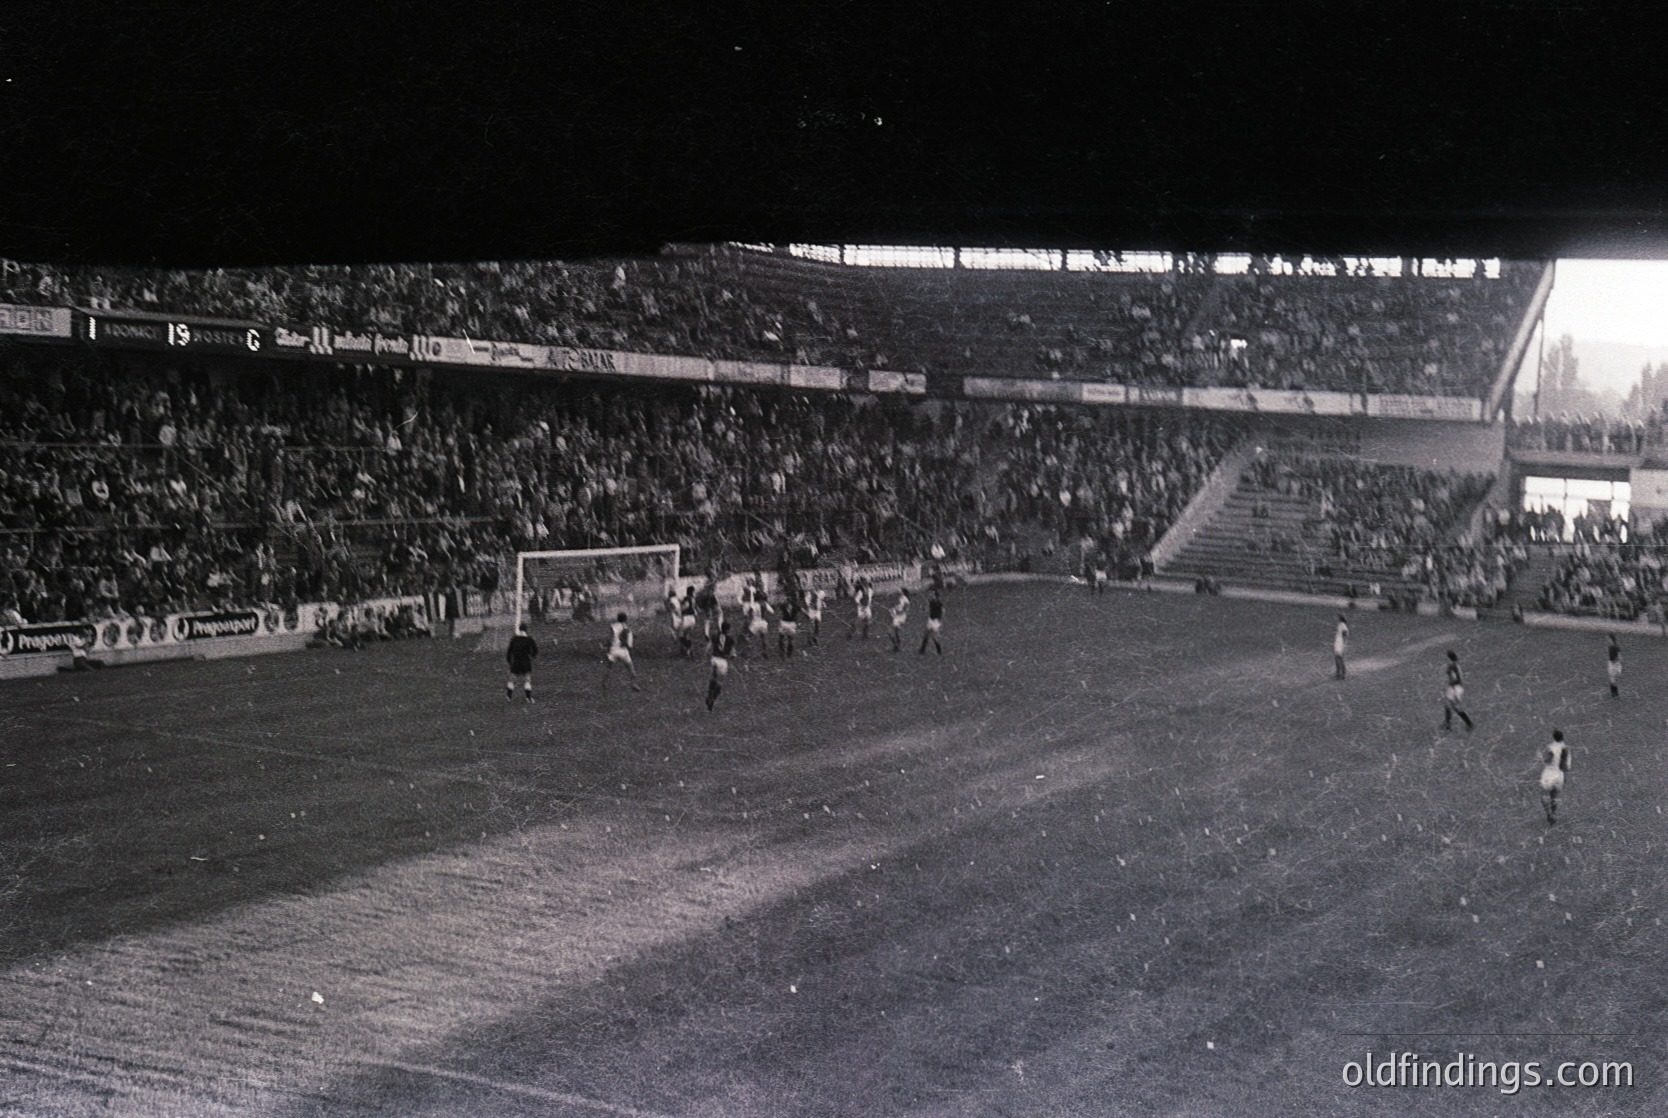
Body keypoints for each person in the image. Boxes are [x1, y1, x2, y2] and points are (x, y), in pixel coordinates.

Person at [605, 611, 642, 691]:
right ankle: (633, 683)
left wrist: (607, 648)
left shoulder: (613, 626)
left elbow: (610, 638)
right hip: (623, 651)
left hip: (613, 650)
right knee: (630, 668)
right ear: (626, 619)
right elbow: (628, 643)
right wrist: (633, 637)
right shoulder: (626, 628)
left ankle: (605, 682)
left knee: (609, 667)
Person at [1540, 729, 1571, 824]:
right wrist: (1565, 776)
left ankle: (1549, 815)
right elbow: (1566, 766)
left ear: (1553, 737)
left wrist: (1540, 759)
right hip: (1560, 774)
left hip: (1550, 773)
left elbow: (1548, 760)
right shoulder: (1566, 749)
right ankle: (1554, 814)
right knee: (1554, 796)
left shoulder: (1551, 747)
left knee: (1544, 795)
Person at [705, 620, 735, 712]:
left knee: (713, 677)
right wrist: (732, 656)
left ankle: (709, 695)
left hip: (714, 659)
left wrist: (707, 655)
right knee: (720, 682)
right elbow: (733, 653)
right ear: (728, 629)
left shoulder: (715, 635)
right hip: (722, 661)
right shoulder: (730, 639)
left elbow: (708, 647)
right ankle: (712, 700)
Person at [1442, 650, 1474, 732]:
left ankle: (1469, 723)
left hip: (1455, 688)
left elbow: (1457, 678)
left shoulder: (1453, 666)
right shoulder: (1454, 665)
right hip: (1454, 687)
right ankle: (1447, 724)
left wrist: (1453, 689)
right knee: (1447, 705)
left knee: (1455, 707)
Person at [506, 622, 537, 702]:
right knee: (527, 679)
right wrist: (532, 656)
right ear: (526, 630)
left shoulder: (514, 639)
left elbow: (509, 652)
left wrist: (509, 661)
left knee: (512, 679)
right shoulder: (529, 639)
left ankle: (509, 696)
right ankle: (528, 697)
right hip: (526, 662)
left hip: (516, 662)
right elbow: (535, 650)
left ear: (519, 630)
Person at [918, 588, 944, 655]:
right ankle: (922, 650)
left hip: (935, 621)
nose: (931, 595)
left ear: (936, 596)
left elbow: (942, 611)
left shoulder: (938, 603)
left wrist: (939, 619)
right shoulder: (931, 601)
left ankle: (939, 650)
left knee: (934, 636)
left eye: (932, 595)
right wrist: (924, 609)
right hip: (931, 619)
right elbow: (928, 608)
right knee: (926, 634)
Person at [777, 592, 801, 658]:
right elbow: (803, 612)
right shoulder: (796, 605)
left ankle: (782, 651)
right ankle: (789, 654)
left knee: (781, 638)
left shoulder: (783, 605)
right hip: (792, 623)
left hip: (784, 622)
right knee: (790, 640)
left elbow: (779, 610)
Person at [889, 588, 911, 652]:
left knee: (890, 632)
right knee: (895, 631)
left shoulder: (904, 599)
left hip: (900, 617)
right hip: (898, 617)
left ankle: (896, 645)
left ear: (903, 592)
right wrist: (893, 609)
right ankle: (897, 644)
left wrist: (896, 612)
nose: (899, 592)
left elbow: (905, 609)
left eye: (900, 591)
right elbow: (897, 607)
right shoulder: (899, 598)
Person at [1334, 614, 1349, 680]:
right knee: (1338, 658)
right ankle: (1340, 673)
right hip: (1338, 642)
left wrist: (1343, 643)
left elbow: (1345, 633)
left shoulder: (1342, 625)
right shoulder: (1341, 624)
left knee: (1339, 658)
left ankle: (1341, 673)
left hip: (1339, 643)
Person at [1606, 633, 1621, 698]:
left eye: (1609, 639)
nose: (1608, 641)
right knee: (1612, 678)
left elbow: (1620, 657)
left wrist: (1615, 661)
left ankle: (1615, 693)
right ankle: (1614, 693)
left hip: (1614, 664)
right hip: (1611, 663)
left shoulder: (1615, 647)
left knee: (1613, 678)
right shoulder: (1610, 647)